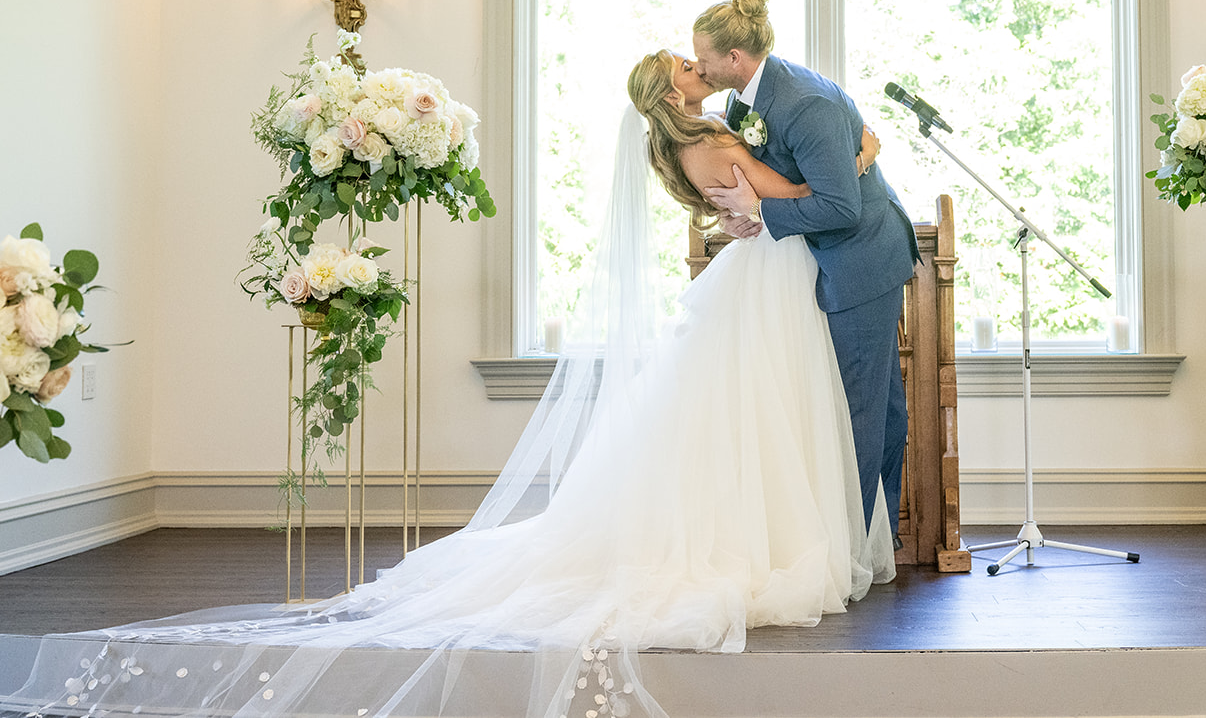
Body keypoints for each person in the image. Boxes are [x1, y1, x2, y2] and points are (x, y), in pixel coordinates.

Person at [2, 51, 893, 718]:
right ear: (669, 98)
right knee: (749, 423)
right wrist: (851, 150)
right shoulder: (708, 147)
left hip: (770, 288)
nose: (698, 69)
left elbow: (780, 189)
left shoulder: (713, 128)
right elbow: (803, 188)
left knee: (748, 424)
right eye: (683, 68)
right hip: (766, 292)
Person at [691, 0, 921, 540]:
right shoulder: (742, 102)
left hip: (862, 260)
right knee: (882, 411)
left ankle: (853, 553)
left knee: (862, 415)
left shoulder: (804, 103)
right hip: (834, 258)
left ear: (735, 59)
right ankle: (874, 541)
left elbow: (840, 205)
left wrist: (762, 210)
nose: (697, 65)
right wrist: (742, 214)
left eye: (703, 57)